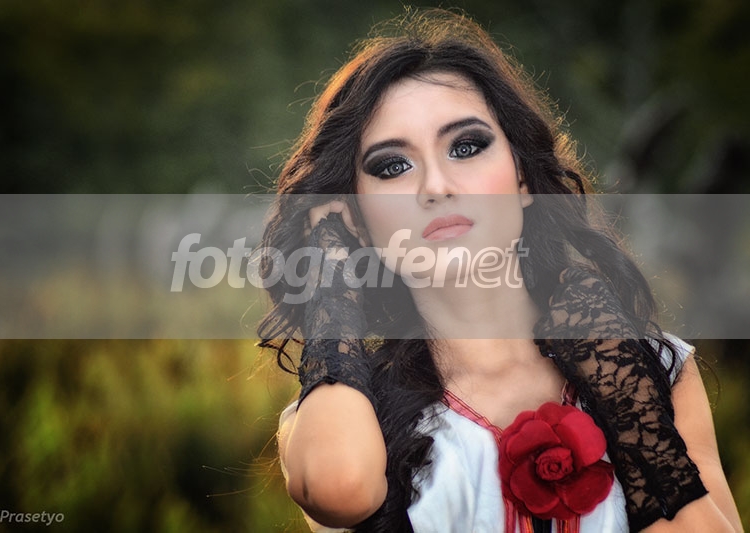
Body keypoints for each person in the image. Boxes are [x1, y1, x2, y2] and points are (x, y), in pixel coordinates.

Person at [257, 8, 742, 533]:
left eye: (466, 147)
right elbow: (341, 489)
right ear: (355, 218)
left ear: (523, 178)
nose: (436, 186)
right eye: (393, 166)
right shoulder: (338, 416)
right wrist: (332, 294)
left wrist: (627, 402)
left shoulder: (656, 371)